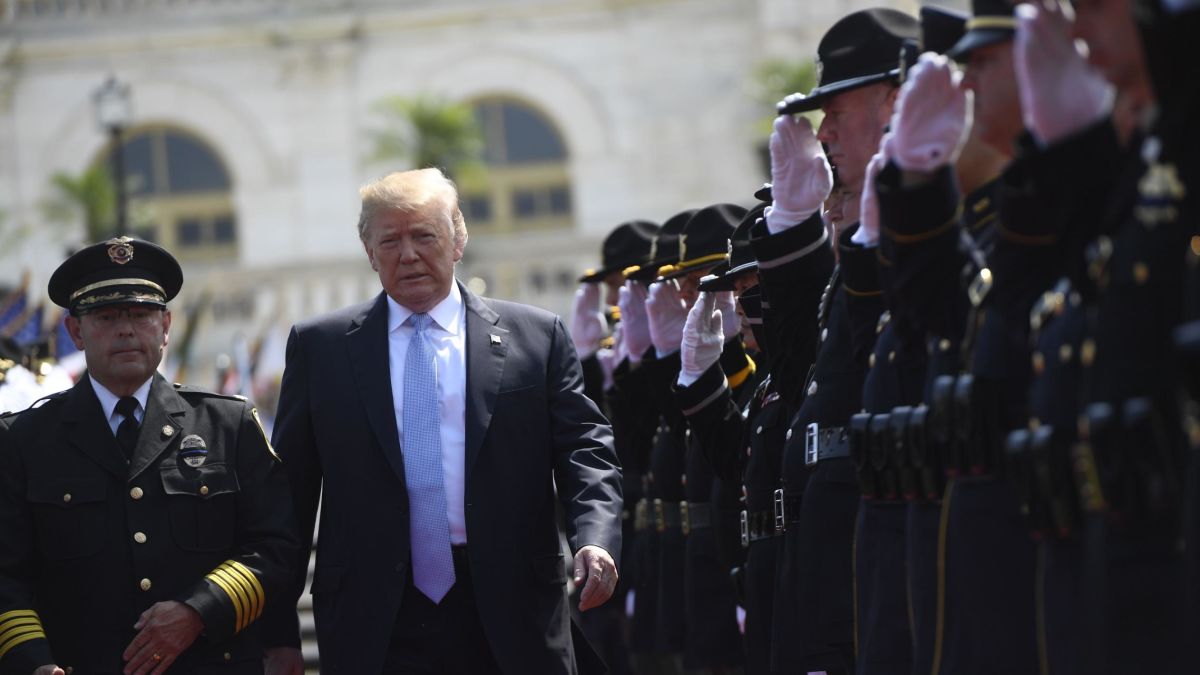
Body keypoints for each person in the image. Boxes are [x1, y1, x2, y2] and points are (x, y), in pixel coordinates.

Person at [260, 168, 623, 674]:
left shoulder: (535, 338)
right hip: (376, 616)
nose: (408, 254)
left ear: (458, 239)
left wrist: (595, 539)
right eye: (390, 240)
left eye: (424, 235)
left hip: (511, 606)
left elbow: (585, 449)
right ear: (369, 252)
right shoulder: (322, 348)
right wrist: (278, 632)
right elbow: (290, 497)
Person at [0, 236, 299, 674]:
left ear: (165, 326)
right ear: (76, 331)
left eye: (141, 315)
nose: (126, 330)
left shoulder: (227, 426)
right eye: (105, 317)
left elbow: (276, 547)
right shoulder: (23, 440)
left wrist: (198, 611)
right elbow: (6, 574)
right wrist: (32, 663)